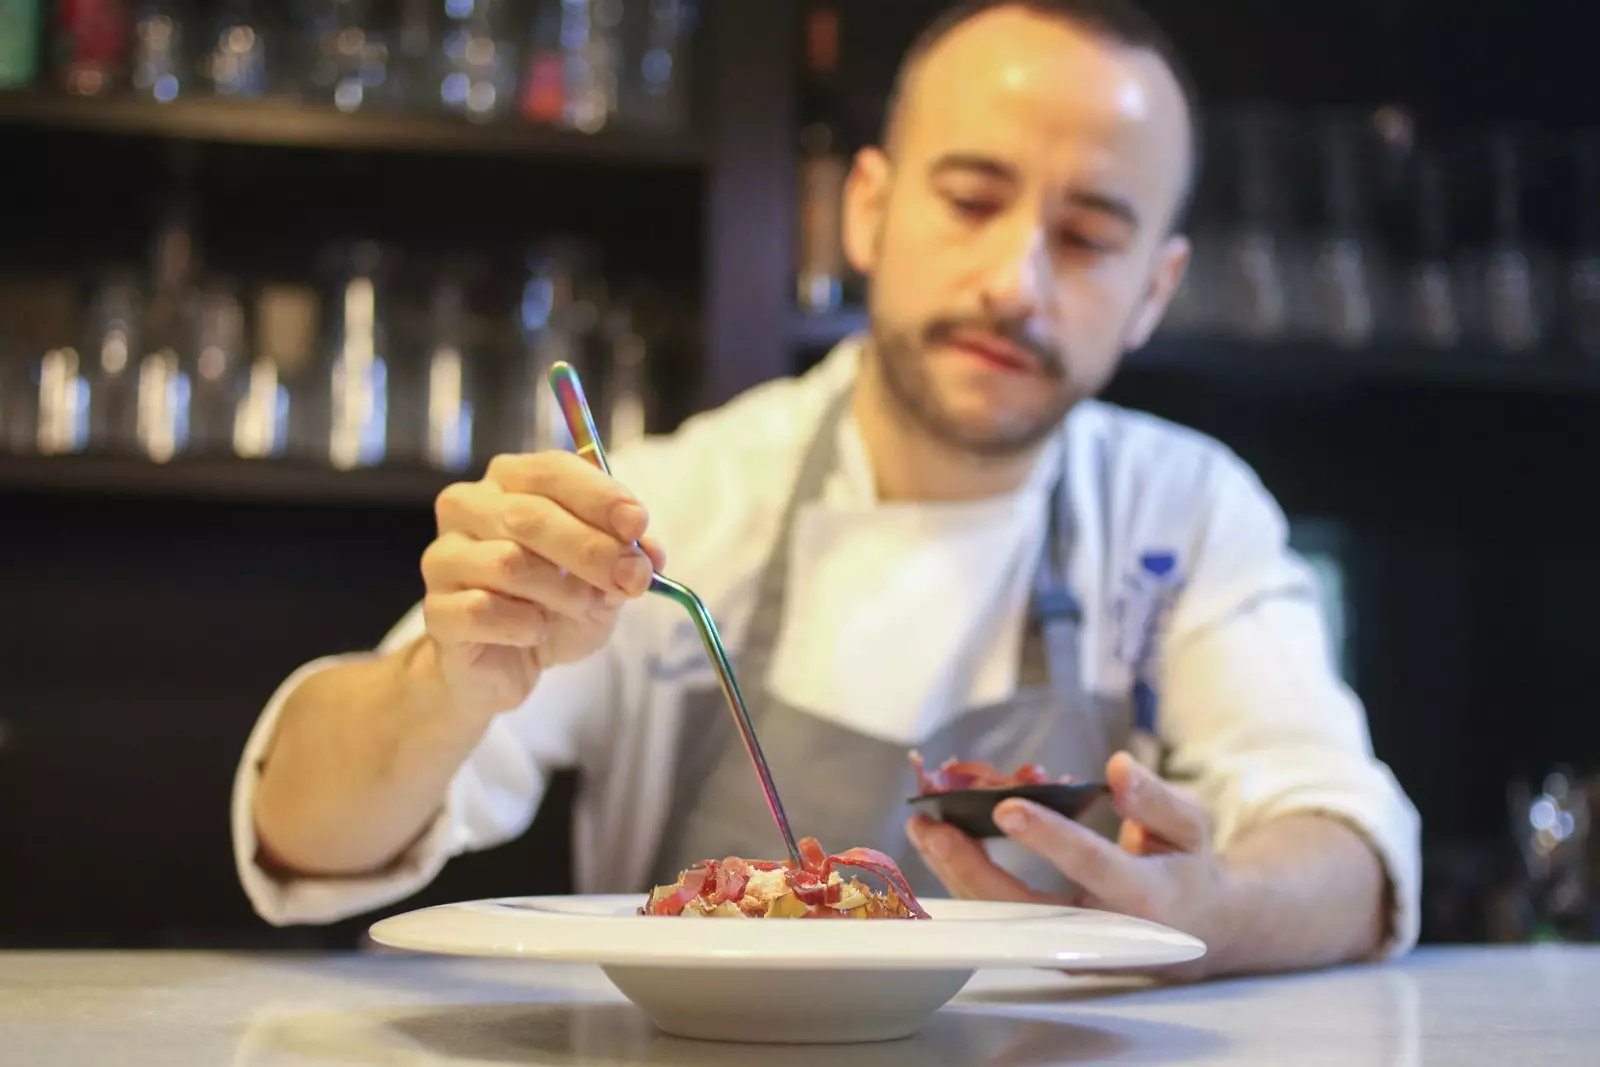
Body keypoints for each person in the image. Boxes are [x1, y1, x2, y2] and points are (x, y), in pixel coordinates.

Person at [234, 0, 1420, 980]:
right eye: (969, 199)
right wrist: (446, 681)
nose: (1015, 281)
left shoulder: (1189, 511)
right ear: (865, 207)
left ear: (1155, 290)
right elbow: (305, 834)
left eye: (1089, 236)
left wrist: (1207, 901)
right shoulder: (677, 499)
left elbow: (1350, 854)